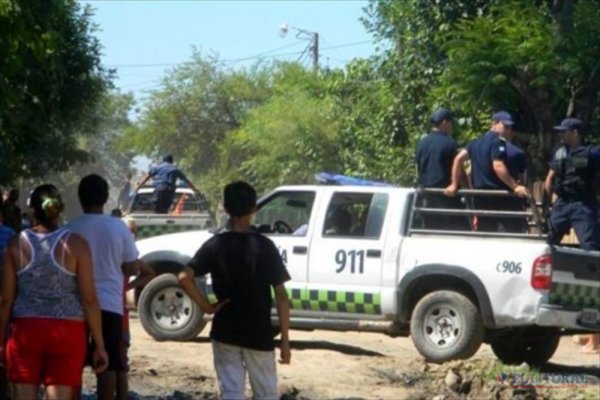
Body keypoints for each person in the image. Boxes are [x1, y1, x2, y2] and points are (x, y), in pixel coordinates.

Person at [178, 181, 291, 400]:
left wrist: (207, 308)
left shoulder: (215, 244)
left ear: (226, 208)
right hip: (259, 332)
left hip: (226, 330)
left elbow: (183, 277)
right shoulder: (265, 246)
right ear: (254, 208)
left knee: (231, 392)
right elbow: (282, 297)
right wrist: (285, 341)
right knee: (266, 393)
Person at [0, 184, 108, 399]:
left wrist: (1, 339)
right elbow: (89, 299)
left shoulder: (15, 245)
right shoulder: (76, 244)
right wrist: (99, 344)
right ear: (59, 209)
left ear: (32, 210)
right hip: (67, 332)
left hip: (25, 330)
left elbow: (5, 300)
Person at [67, 174, 155, 400]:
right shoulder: (118, 228)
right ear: (106, 197)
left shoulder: (69, 229)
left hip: (74, 305)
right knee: (109, 366)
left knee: (72, 363)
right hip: (109, 305)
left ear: (80, 197)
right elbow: (129, 268)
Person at [445, 111, 529, 232]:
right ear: (494, 124)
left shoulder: (475, 142)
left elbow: (458, 159)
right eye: (505, 126)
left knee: (486, 232)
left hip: (481, 197)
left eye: (510, 127)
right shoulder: (498, 142)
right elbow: (498, 165)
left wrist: (454, 184)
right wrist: (515, 186)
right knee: (509, 233)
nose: (508, 130)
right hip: (499, 197)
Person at [543, 118, 600, 250]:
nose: (560, 135)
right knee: (548, 241)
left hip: (583, 204)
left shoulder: (592, 152)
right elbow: (550, 177)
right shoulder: (559, 153)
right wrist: (548, 205)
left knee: (589, 245)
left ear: (575, 133)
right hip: (562, 203)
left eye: (564, 132)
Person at [415, 108, 469, 230]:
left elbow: (419, 168)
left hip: (426, 197)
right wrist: (467, 189)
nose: (452, 126)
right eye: (451, 123)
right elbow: (458, 171)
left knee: (430, 231)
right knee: (460, 232)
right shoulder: (450, 143)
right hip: (447, 196)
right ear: (444, 122)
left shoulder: (422, 143)